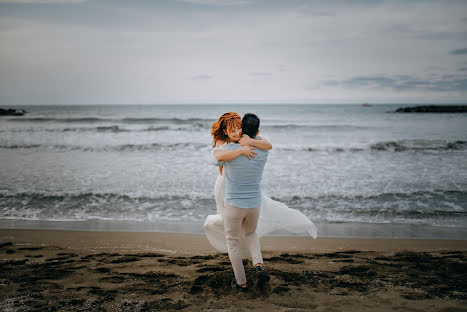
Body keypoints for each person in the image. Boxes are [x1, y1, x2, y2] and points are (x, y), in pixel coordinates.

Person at [204, 112, 318, 290]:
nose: (236, 132)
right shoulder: (263, 151)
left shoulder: (228, 151)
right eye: (233, 129)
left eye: (239, 128)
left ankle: (241, 282)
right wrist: (246, 145)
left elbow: (216, 158)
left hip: (234, 203)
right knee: (250, 234)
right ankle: (258, 265)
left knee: (232, 240)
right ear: (258, 131)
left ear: (243, 131)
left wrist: (239, 148)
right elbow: (268, 145)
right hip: (254, 203)